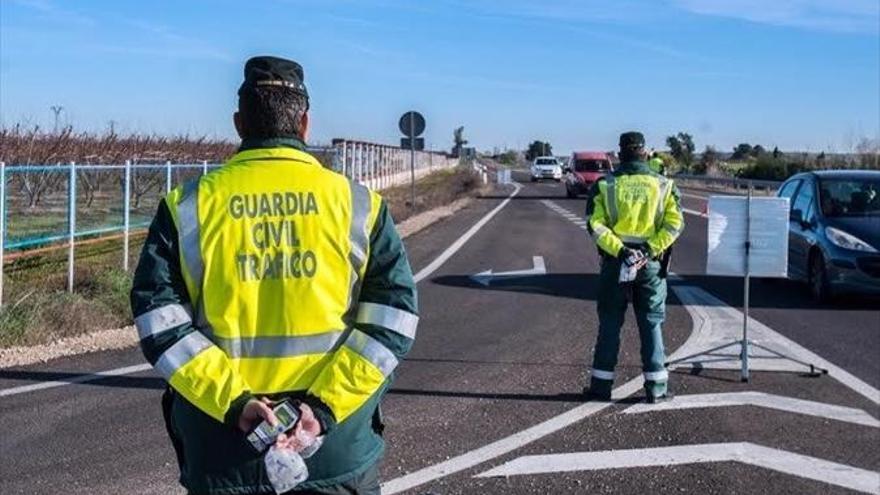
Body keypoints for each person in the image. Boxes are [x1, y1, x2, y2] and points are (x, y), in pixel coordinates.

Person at [130, 55, 418, 494]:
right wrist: (320, 409)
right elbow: (392, 321)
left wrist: (236, 404)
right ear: (304, 124)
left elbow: (160, 323)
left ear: (239, 123)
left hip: (223, 450)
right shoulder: (359, 206)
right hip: (330, 449)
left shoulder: (186, 208)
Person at [584, 131, 684, 403]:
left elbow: (595, 225)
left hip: (616, 263)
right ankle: (657, 389)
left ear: (619, 154)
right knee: (651, 323)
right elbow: (675, 225)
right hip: (650, 264)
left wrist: (621, 251)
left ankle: (601, 388)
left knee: (609, 324)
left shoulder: (606, 185)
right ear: (645, 152)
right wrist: (649, 250)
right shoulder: (664, 185)